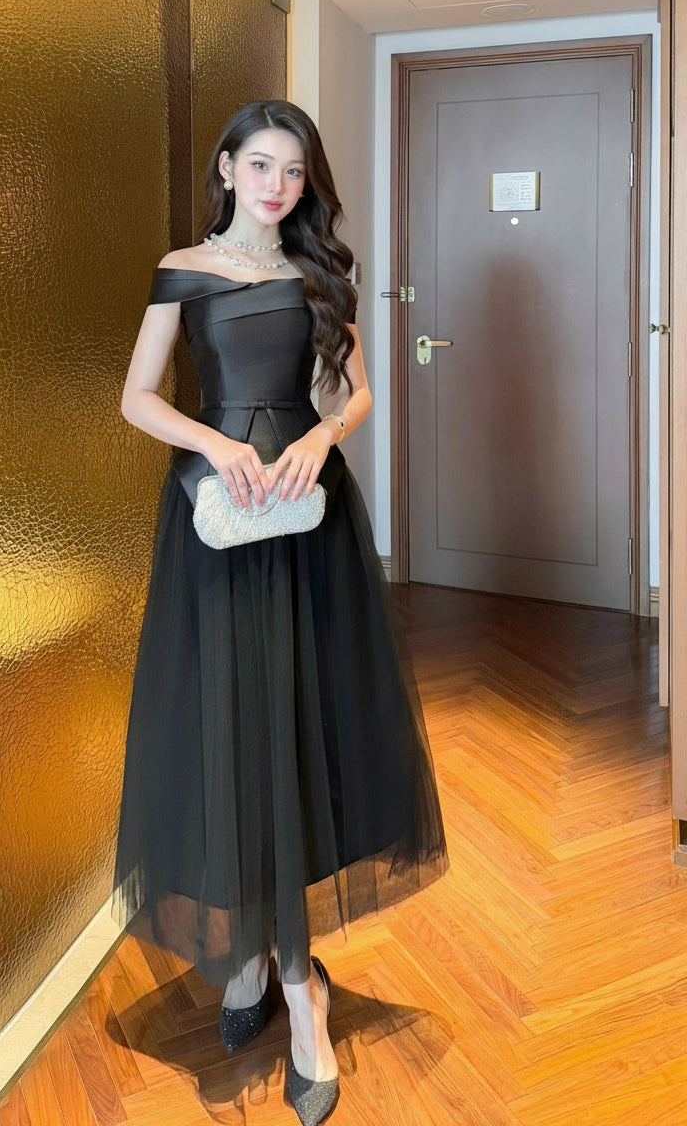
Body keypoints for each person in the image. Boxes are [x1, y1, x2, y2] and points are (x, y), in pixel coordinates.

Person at [112, 99, 447, 1126]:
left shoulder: (312, 275)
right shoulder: (184, 266)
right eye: (260, 164)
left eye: (293, 172)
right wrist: (215, 444)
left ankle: (299, 990)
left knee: (300, 734)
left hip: (305, 521)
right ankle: (253, 958)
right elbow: (136, 395)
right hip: (219, 521)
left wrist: (320, 438)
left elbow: (351, 391)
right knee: (234, 737)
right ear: (226, 168)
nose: (276, 185)